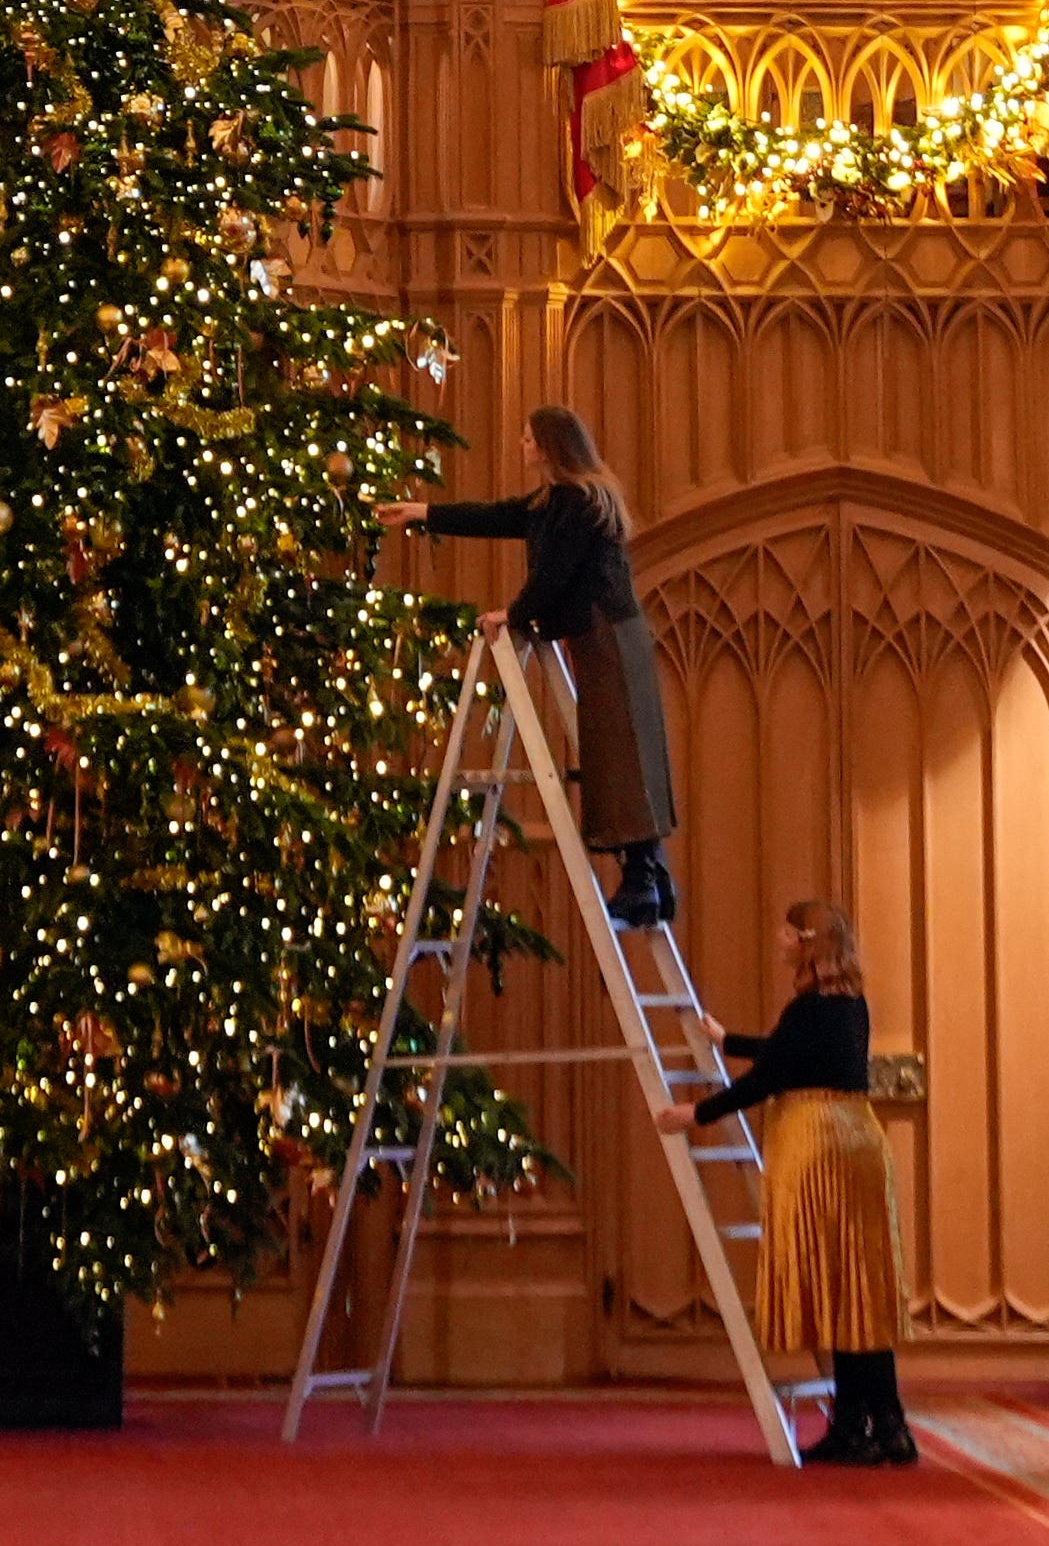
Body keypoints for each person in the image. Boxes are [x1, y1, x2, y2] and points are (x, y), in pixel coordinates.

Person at [383, 406, 684, 926]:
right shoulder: (554, 501)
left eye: (527, 439)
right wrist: (424, 512)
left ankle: (643, 882)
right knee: (618, 749)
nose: (522, 445)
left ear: (548, 446)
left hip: (608, 634)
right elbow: (496, 516)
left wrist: (515, 613)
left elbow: (555, 575)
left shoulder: (579, 501)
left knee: (620, 752)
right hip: (602, 633)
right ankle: (650, 878)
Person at [698, 898, 912, 1466]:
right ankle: (888, 1426)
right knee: (860, 1291)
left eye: (788, 930)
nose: (780, 937)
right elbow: (789, 1052)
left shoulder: (808, 1008)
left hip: (818, 1147)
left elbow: (768, 1077)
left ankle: (854, 1430)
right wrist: (729, 1041)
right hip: (862, 1144)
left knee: (837, 1292)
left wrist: (696, 1113)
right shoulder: (851, 1004)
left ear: (808, 942)